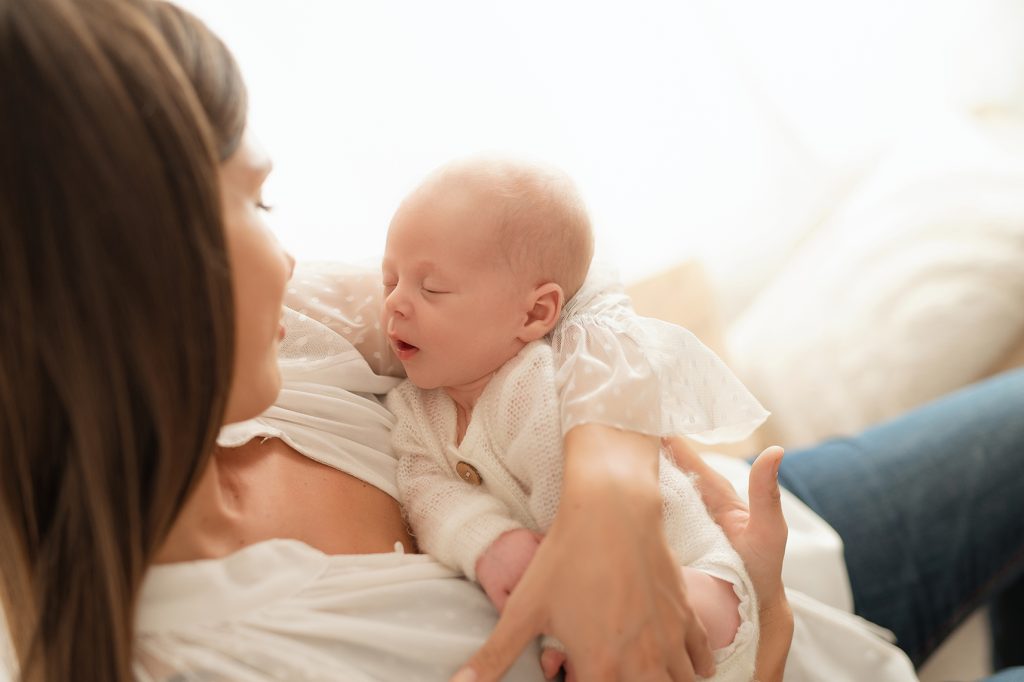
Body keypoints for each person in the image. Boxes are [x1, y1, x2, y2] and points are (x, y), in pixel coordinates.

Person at [1, 1, 1021, 681]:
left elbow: (554, 257)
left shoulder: (296, 339)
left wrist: (611, 491)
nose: (287, 252)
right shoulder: (221, 656)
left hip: (786, 537)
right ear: (134, 287)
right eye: (257, 206)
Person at [382, 157, 769, 681]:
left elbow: (579, 516)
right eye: (390, 281)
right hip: (614, 594)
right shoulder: (413, 407)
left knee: (627, 639)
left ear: (534, 314)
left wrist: (570, 625)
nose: (395, 305)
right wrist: (486, 540)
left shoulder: (541, 383)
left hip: (696, 577)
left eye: (431, 289)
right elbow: (423, 489)